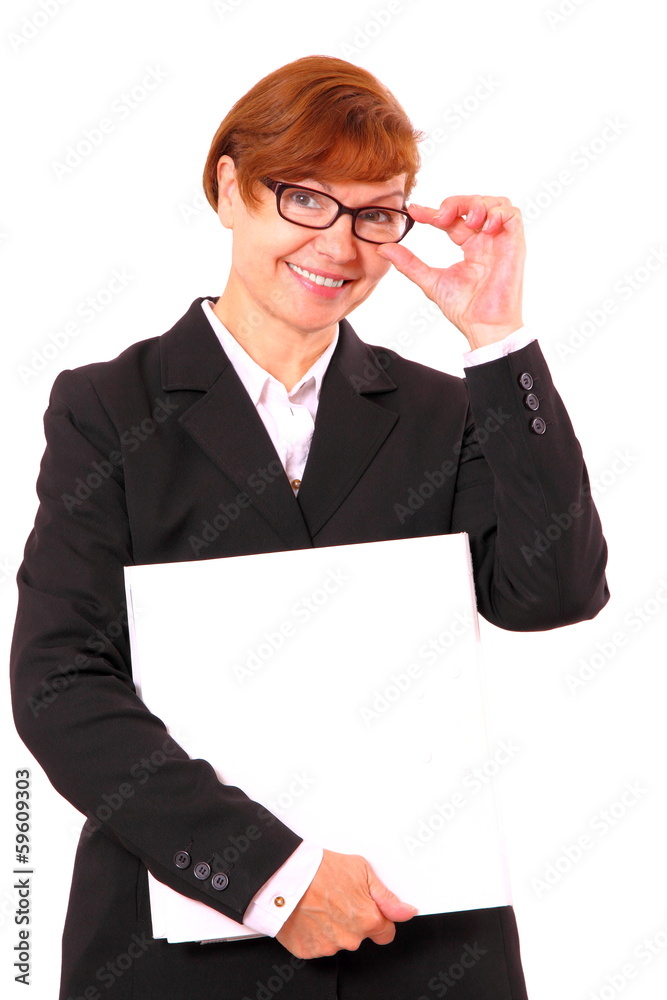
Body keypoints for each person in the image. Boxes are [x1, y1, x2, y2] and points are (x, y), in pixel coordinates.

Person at [10, 54, 608, 999]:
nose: (338, 245)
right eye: (304, 199)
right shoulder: (109, 409)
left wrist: (497, 338)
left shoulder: (444, 412)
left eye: (376, 213)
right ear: (229, 188)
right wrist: (278, 880)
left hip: (423, 946)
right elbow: (59, 685)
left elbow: (553, 595)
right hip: (176, 950)